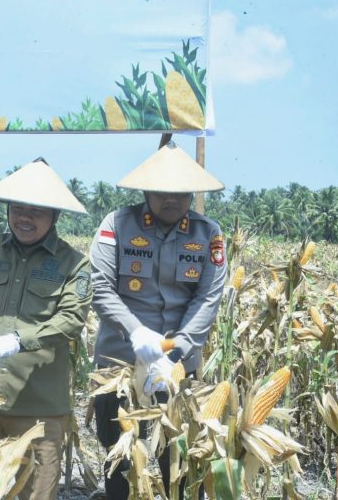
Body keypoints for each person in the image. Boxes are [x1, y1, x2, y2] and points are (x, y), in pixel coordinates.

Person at [0, 158, 92, 500]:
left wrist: (16, 341)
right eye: (18, 208)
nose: (24, 217)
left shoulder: (74, 264)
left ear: (55, 215)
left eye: (36, 211)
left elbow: (71, 320)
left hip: (38, 410)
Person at [89, 141, 226, 499]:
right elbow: (101, 289)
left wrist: (175, 352)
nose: (171, 200)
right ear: (145, 190)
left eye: (181, 193)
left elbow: (207, 298)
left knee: (178, 462)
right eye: (163, 191)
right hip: (119, 363)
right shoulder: (116, 225)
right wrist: (136, 333)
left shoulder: (208, 234)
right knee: (118, 459)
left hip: (177, 367)